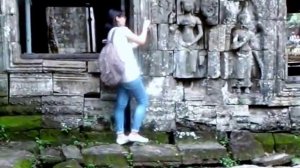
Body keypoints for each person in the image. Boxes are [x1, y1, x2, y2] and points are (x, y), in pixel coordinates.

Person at [105, 9, 151, 145]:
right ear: (117, 19)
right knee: (143, 101)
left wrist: (138, 39)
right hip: (130, 74)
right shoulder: (123, 30)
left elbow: (127, 47)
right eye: (122, 16)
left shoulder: (111, 33)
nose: (124, 18)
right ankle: (134, 133)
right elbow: (141, 41)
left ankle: (120, 135)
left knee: (120, 105)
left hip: (119, 75)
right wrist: (145, 27)